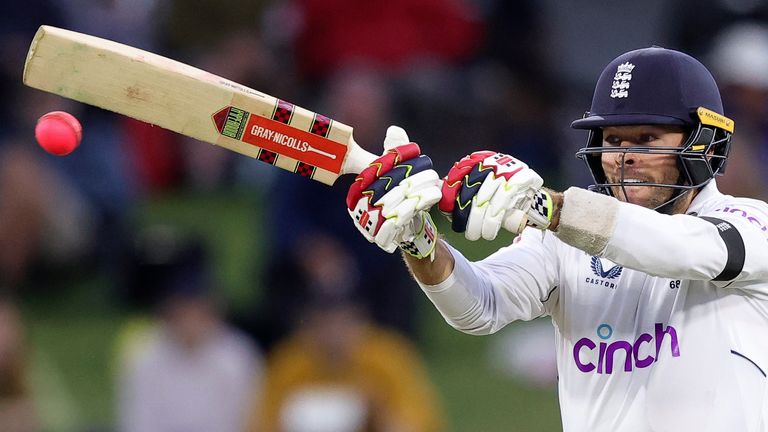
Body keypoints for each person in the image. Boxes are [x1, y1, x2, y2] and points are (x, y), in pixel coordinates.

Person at [345, 47, 768, 431]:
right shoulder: (564, 241)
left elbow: (676, 248)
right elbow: (479, 307)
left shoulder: (750, 224)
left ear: (707, 146)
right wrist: (419, 240)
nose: (625, 156)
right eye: (614, 140)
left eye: (647, 139)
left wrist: (545, 207)